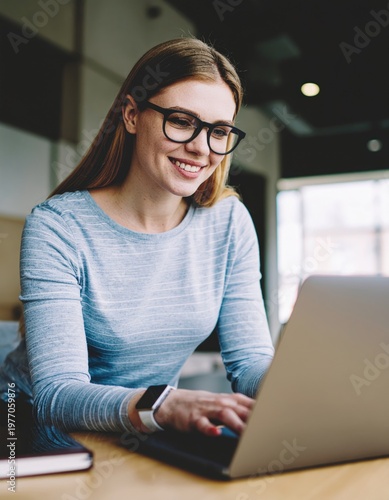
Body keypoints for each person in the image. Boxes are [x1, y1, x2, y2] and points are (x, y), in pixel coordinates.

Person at [0, 37, 274, 437]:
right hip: (29, 430)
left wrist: (302, 390)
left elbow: (249, 361)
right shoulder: (58, 226)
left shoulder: (228, 221)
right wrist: (162, 403)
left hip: (143, 429)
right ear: (132, 115)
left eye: (218, 131)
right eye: (181, 121)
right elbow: (57, 395)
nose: (201, 148)